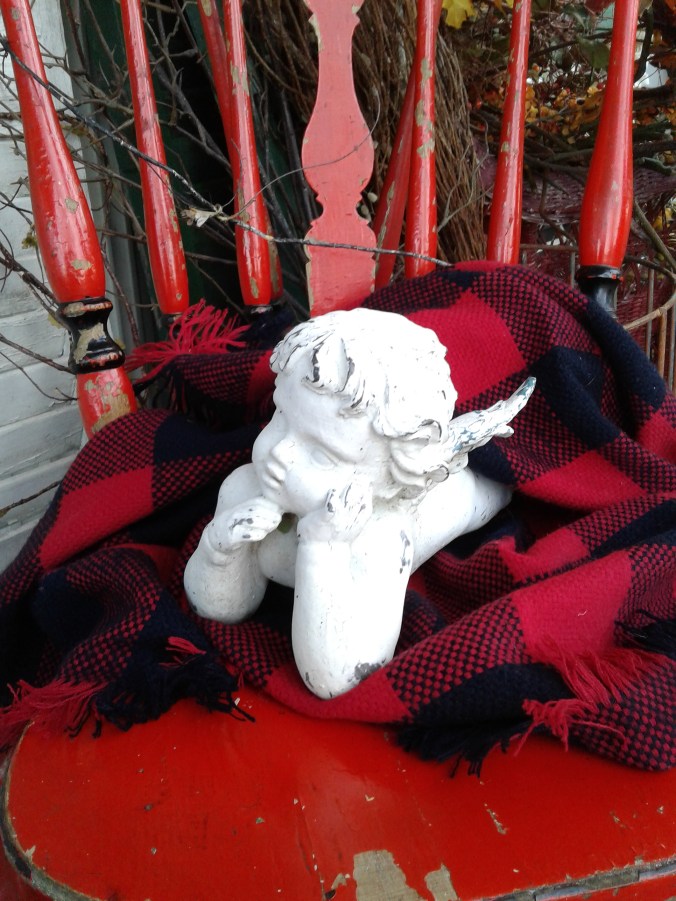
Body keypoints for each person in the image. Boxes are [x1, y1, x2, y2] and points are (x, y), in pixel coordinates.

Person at [184, 308, 534, 698]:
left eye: (321, 455)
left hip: (438, 502)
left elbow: (336, 677)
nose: (280, 452)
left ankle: (499, 482)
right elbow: (222, 608)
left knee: (476, 494)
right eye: (281, 417)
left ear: (383, 481)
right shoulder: (244, 490)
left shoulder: (380, 536)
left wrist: (324, 548)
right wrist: (218, 550)